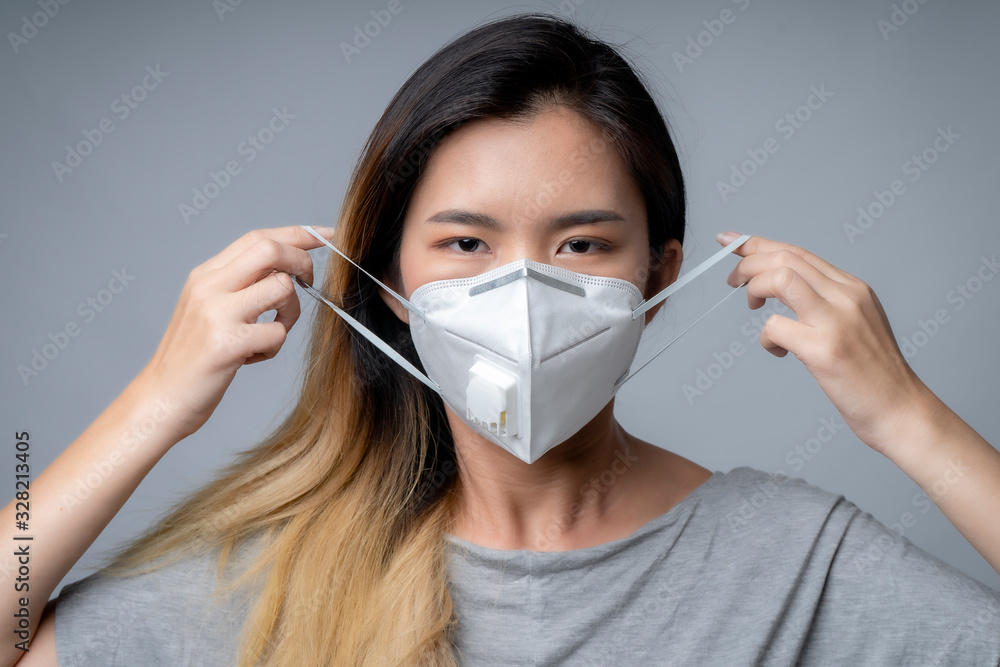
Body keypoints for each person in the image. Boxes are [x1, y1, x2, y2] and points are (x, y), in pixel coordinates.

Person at [4, 13, 1000, 667]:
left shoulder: (792, 560)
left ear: (658, 278)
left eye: (579, 242)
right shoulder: (279, 583)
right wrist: (154, 404)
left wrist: (907, 418)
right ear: (389, 284)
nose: (521, 289)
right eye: (467, 243)